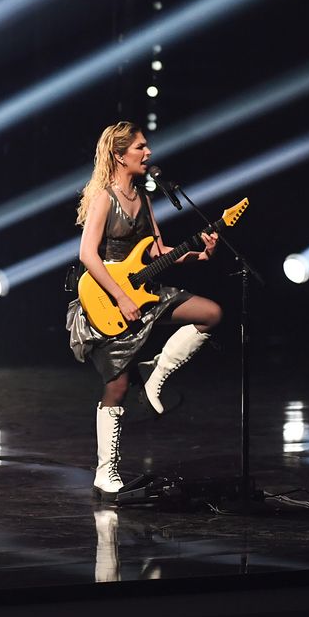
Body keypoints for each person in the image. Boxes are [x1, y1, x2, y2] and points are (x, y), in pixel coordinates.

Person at [65, 121, 221, 501]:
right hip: (106, 298)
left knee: (210, 314)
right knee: (116, 386)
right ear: (120, 155)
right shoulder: (105, 197)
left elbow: (157, 252)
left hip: (144, 291)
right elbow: (88, 255)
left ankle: (156, 374)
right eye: (140, 147)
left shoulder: (145, 199)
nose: (148, 153)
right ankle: (106, 472)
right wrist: (120, 297)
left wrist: (200, 251)